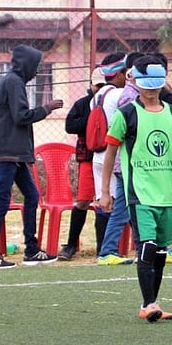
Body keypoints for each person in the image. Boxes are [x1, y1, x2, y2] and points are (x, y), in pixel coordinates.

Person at [98, 57, 172, 322]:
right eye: (146, 85)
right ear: (134, 81)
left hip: (168, 194)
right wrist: (105, 191)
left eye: (155, 85)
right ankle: (148, 304)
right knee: (145, 245)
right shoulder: (127, 114)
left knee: (159, 250)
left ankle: (153, 301)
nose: (150, 90)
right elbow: (110, 152)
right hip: (140, 192)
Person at [0, 45, 64, 269]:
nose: (37, 72)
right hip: (8, 152)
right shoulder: (13, 82)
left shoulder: (14, 81)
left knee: (32, 195)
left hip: (15, 152)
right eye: (36, 66)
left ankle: (31, 249)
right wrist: (47, 108)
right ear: (26, 64)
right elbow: (21, 117)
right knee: (2, 199)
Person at [89, 53, 132, 265]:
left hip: (98, 154)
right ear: (120, 74)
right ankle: (107, 250)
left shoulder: (96, 96)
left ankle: (106, 249)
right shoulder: (120, 95)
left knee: (108, 203)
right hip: (113, 155)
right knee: (119, 204)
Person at [58, 80, 104, 260]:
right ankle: (70, 245)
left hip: (109, 158)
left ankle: (104, 248)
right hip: (88, 158)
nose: (100, 89)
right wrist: (93, 118)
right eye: (97, 85)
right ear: (92, 85)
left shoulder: (115, 100)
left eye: (103, 85)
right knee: (83, 201)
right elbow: (70, 126)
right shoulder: (83, 104)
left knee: (107, 203)